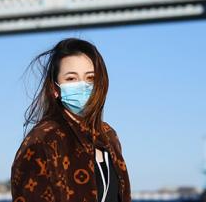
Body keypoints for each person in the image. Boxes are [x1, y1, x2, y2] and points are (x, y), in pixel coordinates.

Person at [11, 37, 131, 202]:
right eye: (71, 79)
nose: (83, 86)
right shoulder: (42, 140)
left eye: (90, 78)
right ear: (55, 89)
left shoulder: (108, 136)